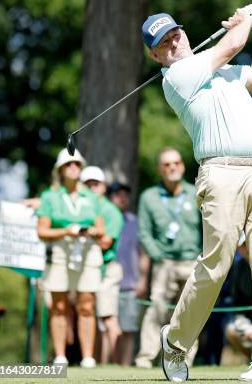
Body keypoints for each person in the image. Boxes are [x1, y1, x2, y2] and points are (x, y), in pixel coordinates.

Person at [141, 4, 252, 382]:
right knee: (216, 266)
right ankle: (175, 342)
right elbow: (229, 46)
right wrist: (244, 21)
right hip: (221, 176)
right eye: (164, 42)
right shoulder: (176, 76)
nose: (173, 43)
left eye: (175, 34)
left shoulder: (223, 72)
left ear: (184, 33)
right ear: (155, 54)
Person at [36, 148, 105, 368]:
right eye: (69, 164)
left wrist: (90, 231)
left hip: (86, 252)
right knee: (59, 305)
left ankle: (87, 357)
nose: (73, 167)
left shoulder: (91, 196)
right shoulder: (49, 196)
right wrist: (67, 231)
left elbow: (100, 229)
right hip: (60, 252)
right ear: (60, 170)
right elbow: (42, 231)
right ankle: (60, 356)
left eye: (77, 164)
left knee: (86, 305)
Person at [134, 148, 203, 369]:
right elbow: (144, 232)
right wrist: (157, 256)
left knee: (191, 313)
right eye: (166, 164)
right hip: (164, 263)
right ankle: (146, 358)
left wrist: (203, 255)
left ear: (182, 166)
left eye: (176, 163)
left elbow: (207, 226)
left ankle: (183, 359)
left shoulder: (196, 193)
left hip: (192, 261)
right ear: (159, 170)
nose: (172, 167)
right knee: (157, 309)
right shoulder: (149, 197)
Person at [80, 166, 124, 364]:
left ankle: (119, 365)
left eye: (95, 184)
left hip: (108, 268)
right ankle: (96, 362)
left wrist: (81, 233)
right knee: (90, 317)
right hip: (88, 268)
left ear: (103, 187)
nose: (91, 188)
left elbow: (106, 242)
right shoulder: (82, 208)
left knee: (108, 318)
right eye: (86, 184)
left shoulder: (110, 211)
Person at [107, 182, 150, 366]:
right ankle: (104, 366)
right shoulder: (103, 219)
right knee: (106, 329)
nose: (122, 197)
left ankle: (123, 367)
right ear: (110, 197)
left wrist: (143, 280)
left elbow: (144, 254)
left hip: (130, 284)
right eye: (118, 194)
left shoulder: (136, 222)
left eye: (125, 194)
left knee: (128, 329)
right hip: (106, 283)